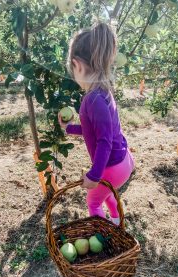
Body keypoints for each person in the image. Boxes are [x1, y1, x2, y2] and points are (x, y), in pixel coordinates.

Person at [58, 22, 134, 226]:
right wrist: (69, 129)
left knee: (93, 201)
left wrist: (95, 174)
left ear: (78, 65)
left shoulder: (92, 100)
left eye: (72, 70)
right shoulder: (103, 92)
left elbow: (104, 141)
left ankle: (105, 238)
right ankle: (117, 225)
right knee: (107, 194)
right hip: (123, 161)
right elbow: (96, 130)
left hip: (112, 167)